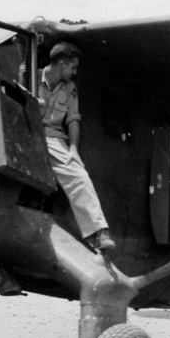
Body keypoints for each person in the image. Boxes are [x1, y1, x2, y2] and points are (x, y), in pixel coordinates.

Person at [38, 42, 115, 254]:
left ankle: (99, 232)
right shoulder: (31, 76)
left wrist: (73, 149)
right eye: (73, 67)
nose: (75, 72)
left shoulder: (70, 88)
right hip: (29, 133)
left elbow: (73, 120)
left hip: (53, 138)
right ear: (61, 64)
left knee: (79, 175)